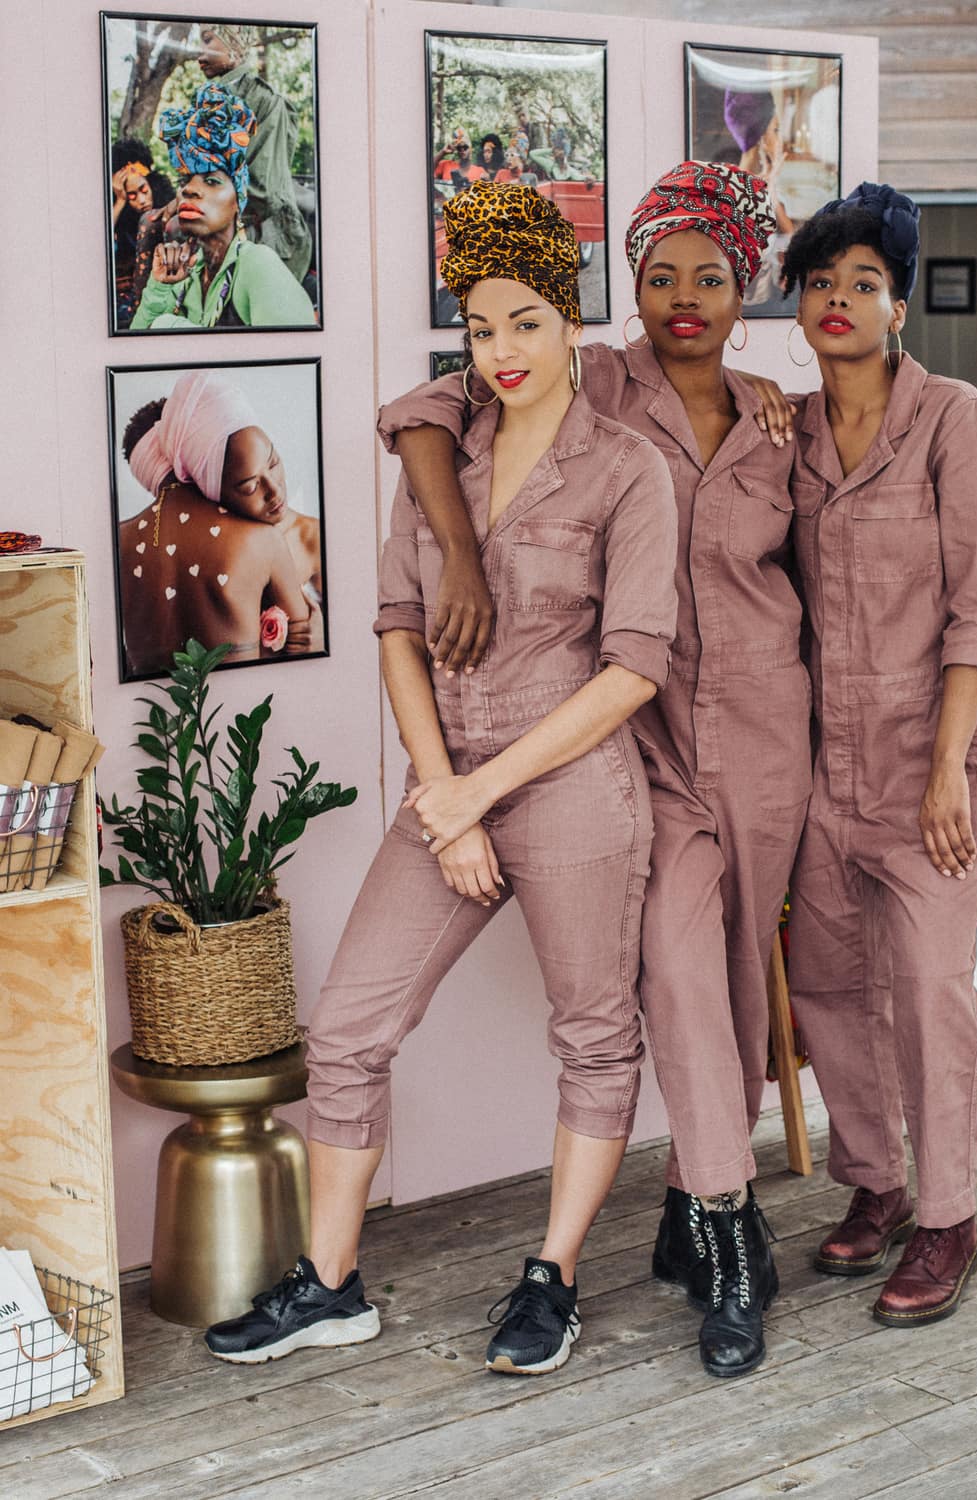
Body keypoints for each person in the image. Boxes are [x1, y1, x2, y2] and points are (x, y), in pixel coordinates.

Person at [203, 182, 678, 1375]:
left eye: (527, 321)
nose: (503, 350)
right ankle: (328, 1283)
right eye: (479, 327)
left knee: (593, 1035)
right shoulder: (437, 456)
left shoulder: (629, 471)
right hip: (445, 777)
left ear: (573, 321)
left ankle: (553, 1276)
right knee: (350, 1030)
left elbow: (632, 673)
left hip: (574, 782)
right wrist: (439, 791)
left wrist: (482, 790)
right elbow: (398, 627)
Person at [384, 161, 809, 1379]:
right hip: (633, 740)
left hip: (767, 744)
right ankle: (734, 1245)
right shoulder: (586, 377)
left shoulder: (779, 415)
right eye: (661, 275)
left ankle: (694, 1214)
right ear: (623, 289)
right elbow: (420, 410)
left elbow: (816, 590)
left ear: (744, 290)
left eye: (711, 278)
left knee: (732, 985)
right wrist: (458, 557)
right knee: (677, 975)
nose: (685, 297)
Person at [781, 183, 977, 1327]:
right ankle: (875, 1183)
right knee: (832, 988)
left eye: (864, 283)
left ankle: (949, 1214)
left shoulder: (955, 420)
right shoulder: (788, 436)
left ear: (901, 306)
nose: (840, 300)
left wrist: (942, 775)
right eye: (822, 282)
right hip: (822, 770)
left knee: (930, 990)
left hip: (939, 761)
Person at [119, 370, 319, 676]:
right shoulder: (260, 539)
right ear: (203, 474)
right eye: (248, 485)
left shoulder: (118, 540)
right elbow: (303, 659)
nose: (274, 490)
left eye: (273, 462)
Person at [130, 84, 316, 330]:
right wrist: (160, 287)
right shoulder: (187, 272)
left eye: (211, 181)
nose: (188, 190)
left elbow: (290, 362)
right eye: (184, 180)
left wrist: (172, 326)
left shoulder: (258, 264)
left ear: (238, 202)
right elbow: (137, 354)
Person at [195, 23, 314, 288]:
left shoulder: (265, 100)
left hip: (265, 235)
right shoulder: (213, 99)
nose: (199, 54)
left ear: (233, 42)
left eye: (207, 40)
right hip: (225, 222)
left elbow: (263, 188)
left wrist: (201, 206)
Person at [111, 137, 175, 327]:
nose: (141, 200)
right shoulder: (121, 217)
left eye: (143, 190)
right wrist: (120, 202)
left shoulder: (168, 210)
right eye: (131, 196)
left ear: (152, 184)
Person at [529, 128, 594, 184]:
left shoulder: (570, 170)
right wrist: (551, 150)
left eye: (561, 150)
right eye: (557, 150)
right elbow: (532, 154)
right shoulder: (550, 165)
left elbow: (581, 178)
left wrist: (588, 178)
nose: (559, 153)